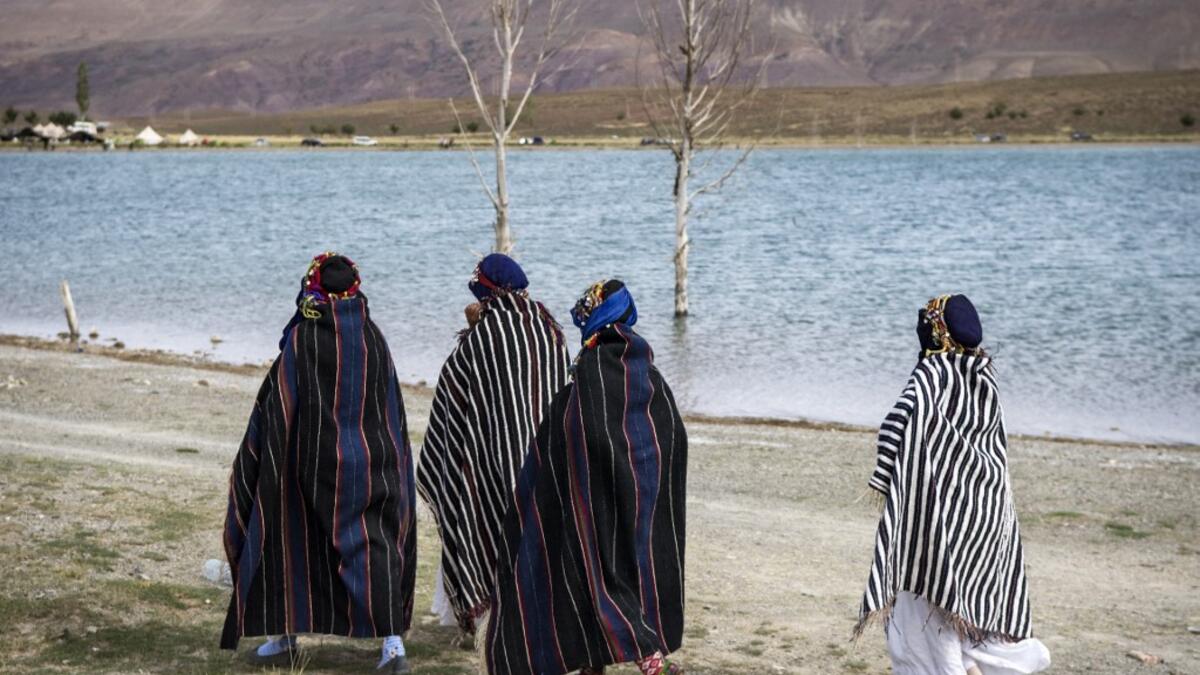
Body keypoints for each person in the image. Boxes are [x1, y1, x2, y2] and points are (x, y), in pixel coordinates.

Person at [221, 252, 417, 674]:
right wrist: (395, 458)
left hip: (308, 464)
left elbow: (280, 403)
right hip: (370, 463)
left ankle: (286, 636)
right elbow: (391, 408)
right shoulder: (372, 336)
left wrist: (267, 459)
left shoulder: (302, 338)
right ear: (353, 289)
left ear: (314, 287)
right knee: (374, 545)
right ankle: (393, 647)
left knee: (289, 538)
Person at [483, 280, 688, 675]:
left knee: (593, 571)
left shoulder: (590, 372)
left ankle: (646, 662)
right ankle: (620, 662)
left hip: (595, 499)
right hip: (643, 495)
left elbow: (573, 433)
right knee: (638, 567)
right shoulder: (648, 368)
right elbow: (670, 434)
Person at [856, 294, 1051, 675]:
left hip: (937, 514)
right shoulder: (984, 376)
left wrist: (895, 476)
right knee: (977, 603)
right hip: (987, 510)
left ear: (934, 332)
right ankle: (980, 665)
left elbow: (896, 428)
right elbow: (991, 444)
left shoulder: (931, 376)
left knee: (925, 610)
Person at [416, 254, 571, 641]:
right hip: (546, 463)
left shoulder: (485, 335)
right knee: (537, 540)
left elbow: (453, 390)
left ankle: (497, 626)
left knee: (489, 526)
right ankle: (539, 621)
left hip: (494, 464)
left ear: (488, 292)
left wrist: (473, 329)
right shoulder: (549, 329)